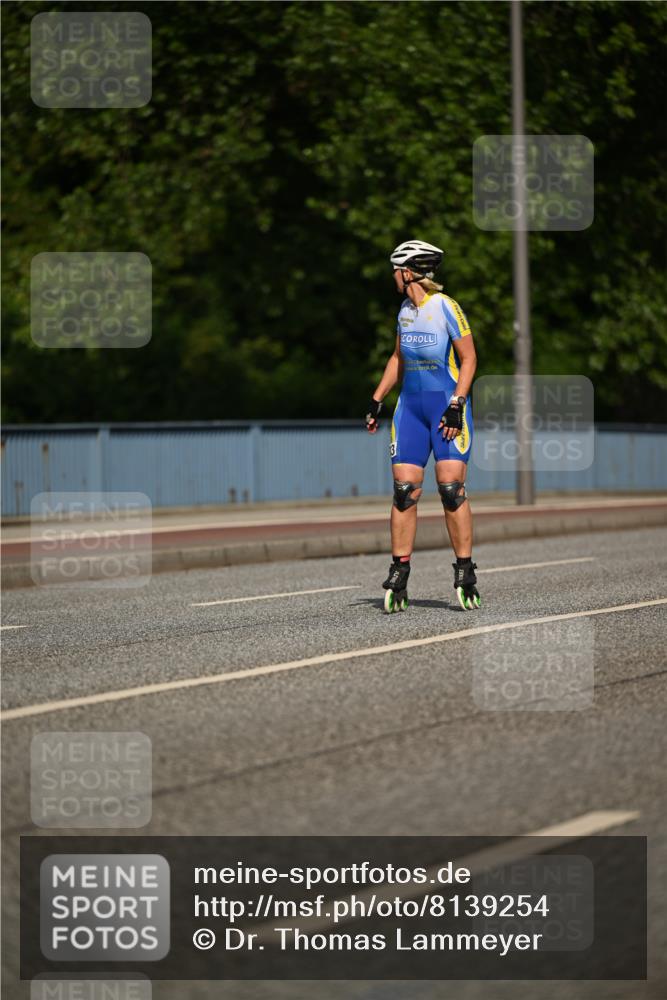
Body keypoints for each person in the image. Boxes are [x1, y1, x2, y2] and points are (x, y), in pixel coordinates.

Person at [365, 239, 481, 612]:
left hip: (446, 409)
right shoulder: (403, 310)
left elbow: (469, 360)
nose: (393, 278)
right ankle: (399, 571)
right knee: (404, 492)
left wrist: (456, 406)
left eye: (396, 271)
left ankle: (465, 571)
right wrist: (377, 398)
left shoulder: (446, 307)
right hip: (410, 411)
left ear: (408, 271)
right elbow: (398, 358)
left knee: (450, 489)